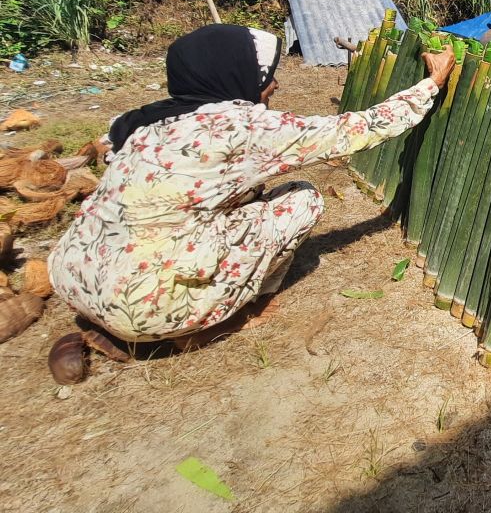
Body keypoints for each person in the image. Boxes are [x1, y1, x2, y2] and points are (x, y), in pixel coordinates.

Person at [48, 24, 455, 348]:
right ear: (233, 75)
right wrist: (431, 83)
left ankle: (104, 321)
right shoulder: (239, 126)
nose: (274, 85)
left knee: (240, 199)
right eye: (265, 76)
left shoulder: (140, 122)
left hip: (72, 275)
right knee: (301, 198)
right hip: (144, 304)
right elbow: (355, 129)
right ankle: (227, 313)